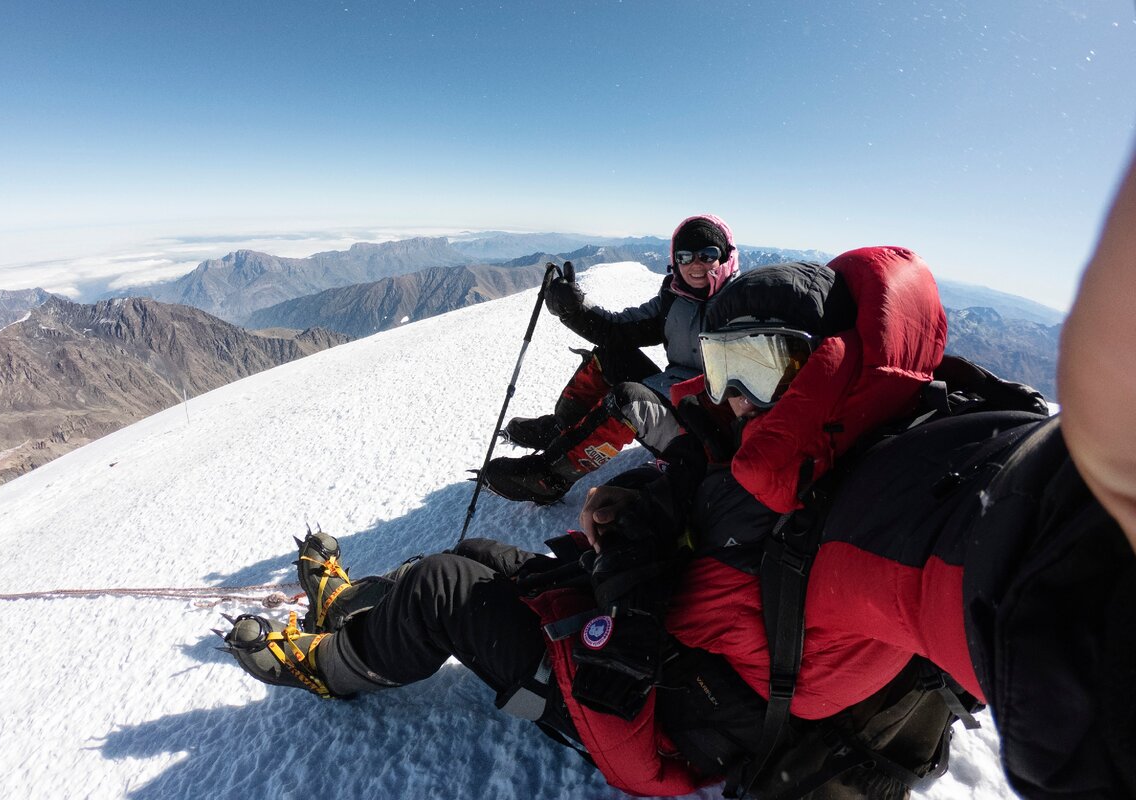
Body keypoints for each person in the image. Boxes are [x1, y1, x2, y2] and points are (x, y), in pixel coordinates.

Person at [220, 149, 1136, 799]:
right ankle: (350, 611)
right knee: (498, 561)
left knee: (448, 583)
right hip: (674, 651)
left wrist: (1098, 489)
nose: (733, 397)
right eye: (723, 369)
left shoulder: (888, 499)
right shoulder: (808, 447)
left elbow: (1027, 545)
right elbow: (710, 466)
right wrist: (645, 501)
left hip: (661, 716)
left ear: (823, 367)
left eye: (760, 371)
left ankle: (325, 664)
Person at [480, 214, 740, 505]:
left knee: (630, 401)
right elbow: (617, 331)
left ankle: (548, 478)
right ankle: (565, 429)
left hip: (705, 434)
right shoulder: (674, 298)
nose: (695, 264)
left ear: (726, 256)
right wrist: (574, 309)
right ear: (675, 260)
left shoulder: (743, 304)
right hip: (674, 396)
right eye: (685, 255)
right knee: (610, 356)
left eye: (707, 255)